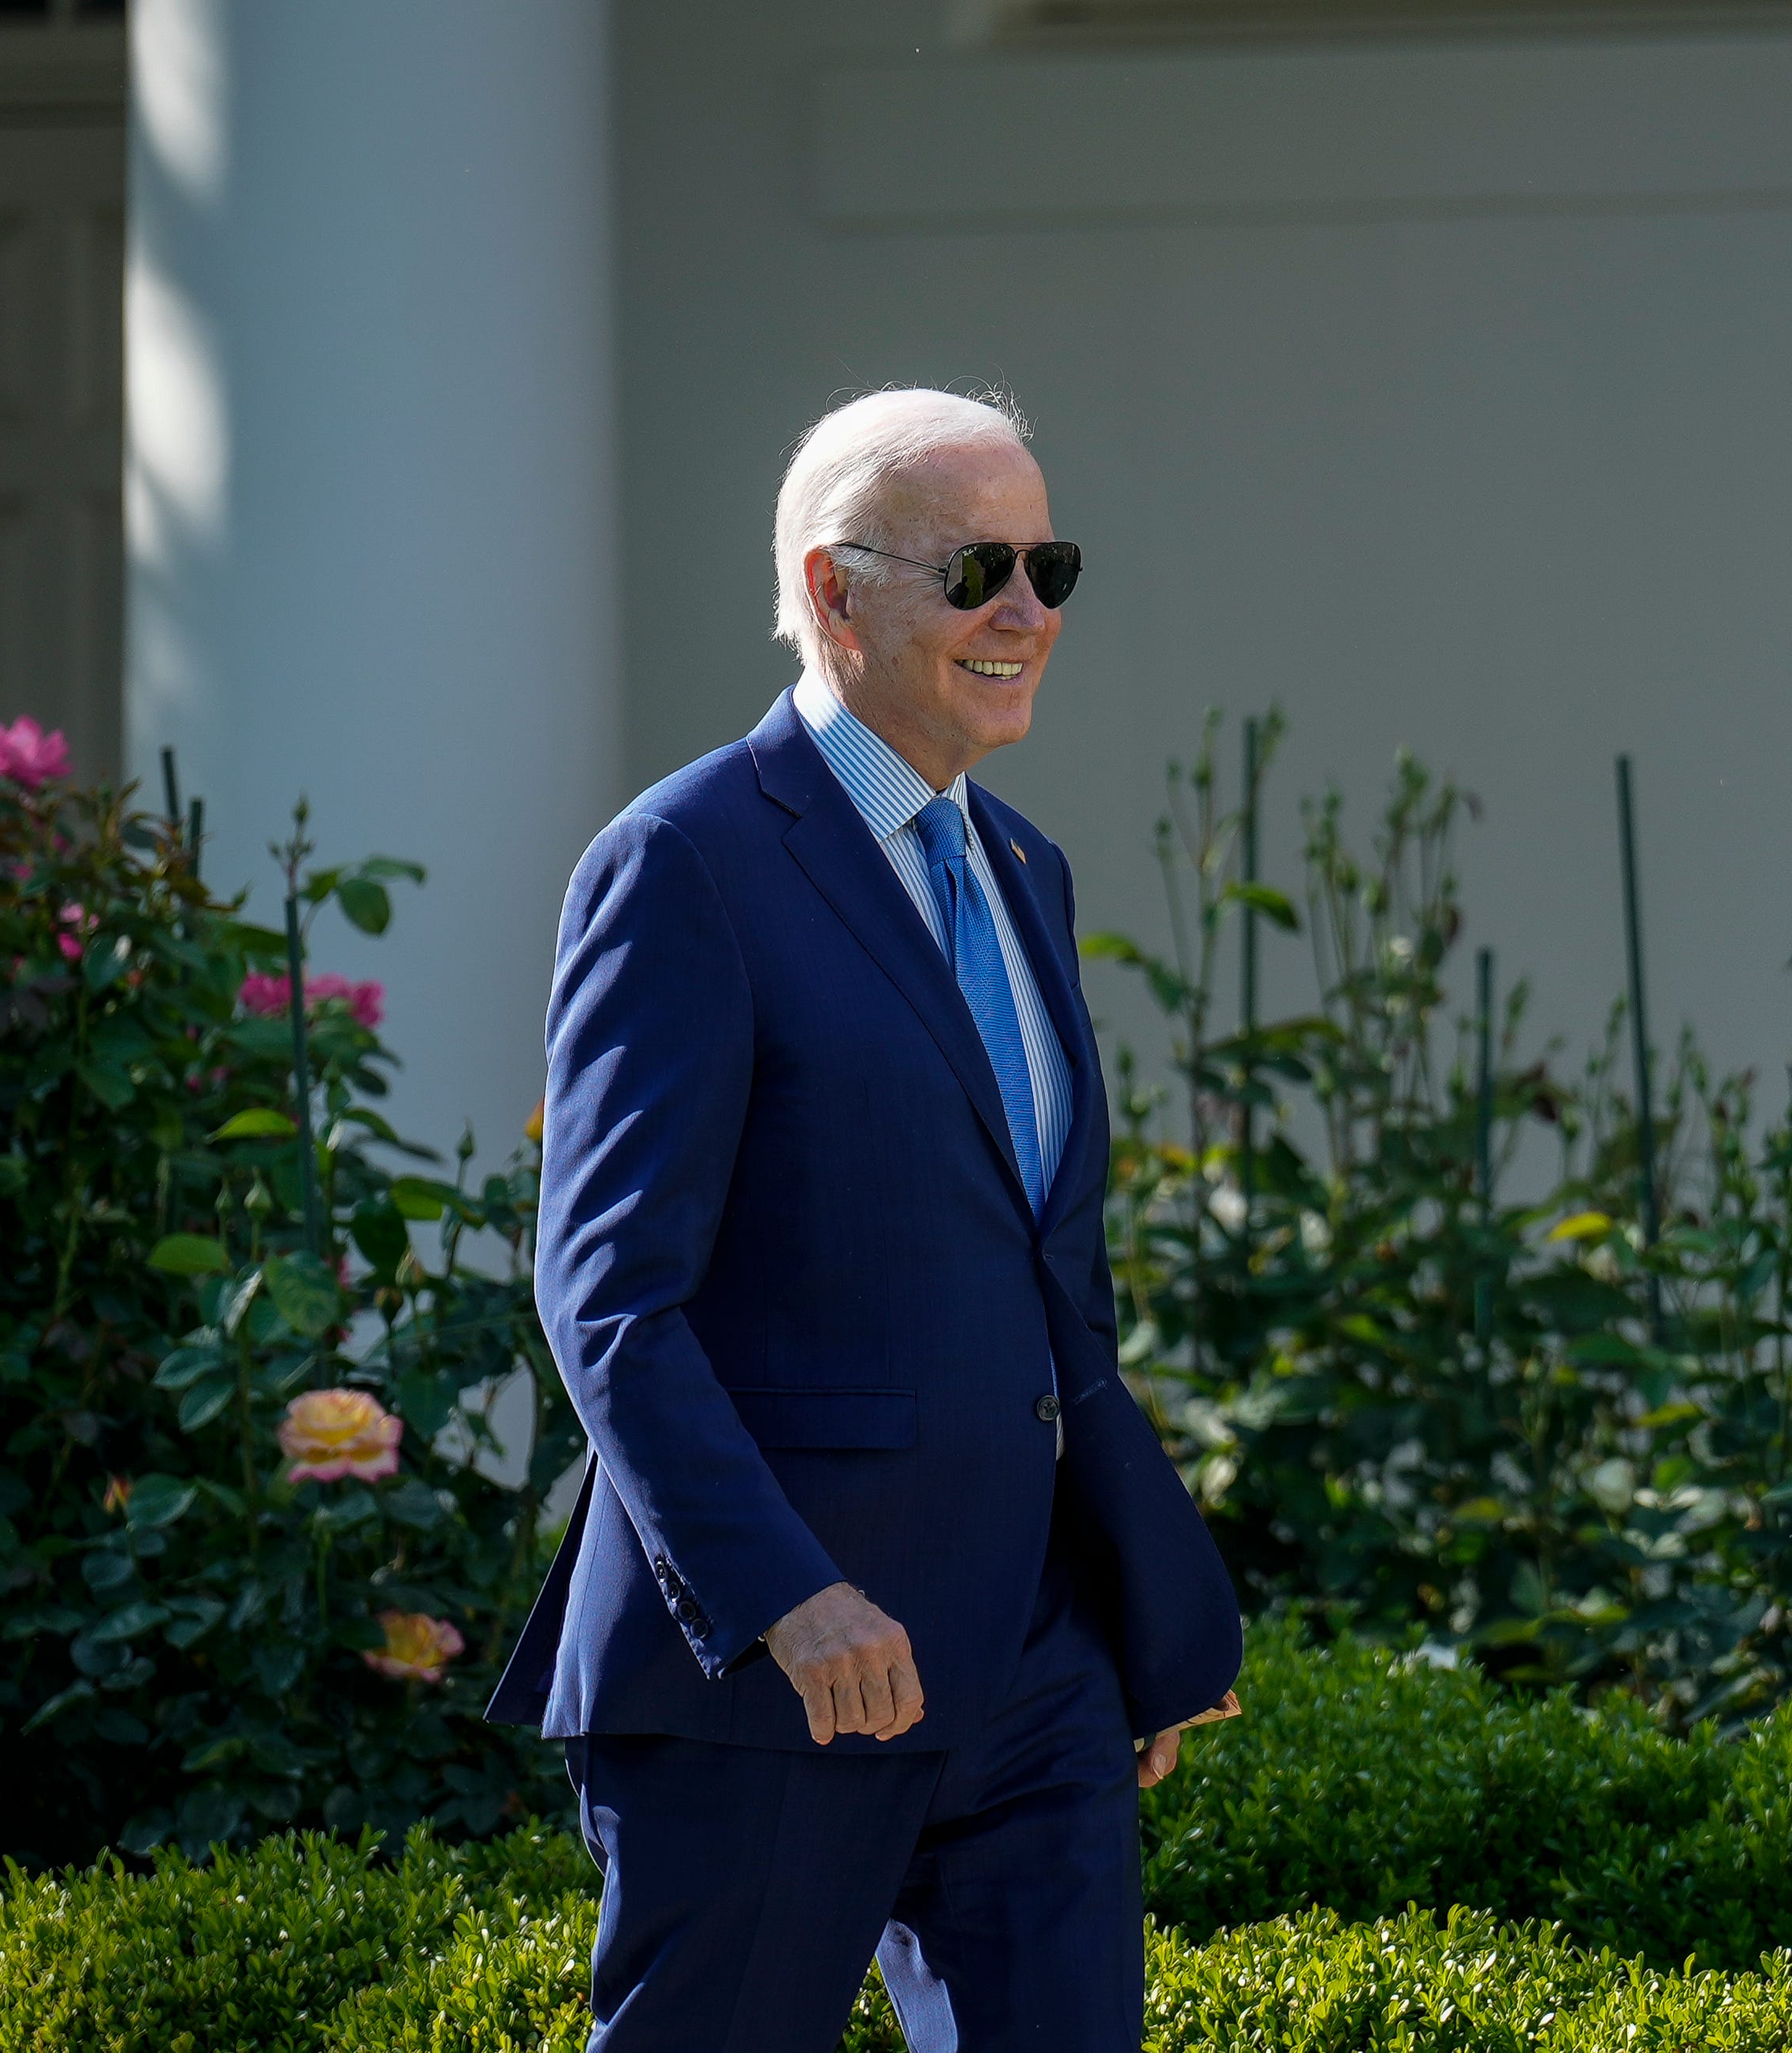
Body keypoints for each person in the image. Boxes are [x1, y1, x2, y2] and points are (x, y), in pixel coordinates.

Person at [488, 386, 1243, 2052]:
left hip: (1035, 1673)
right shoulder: (684, 861)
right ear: (834, 593)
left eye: (1048, 565)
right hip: (783, 1674)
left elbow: (1053, 1285)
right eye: (978, 570)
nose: (1027, 611)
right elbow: (609, 1297)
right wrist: (786, 1596)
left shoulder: (1027, 870)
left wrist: (1137, 1596)